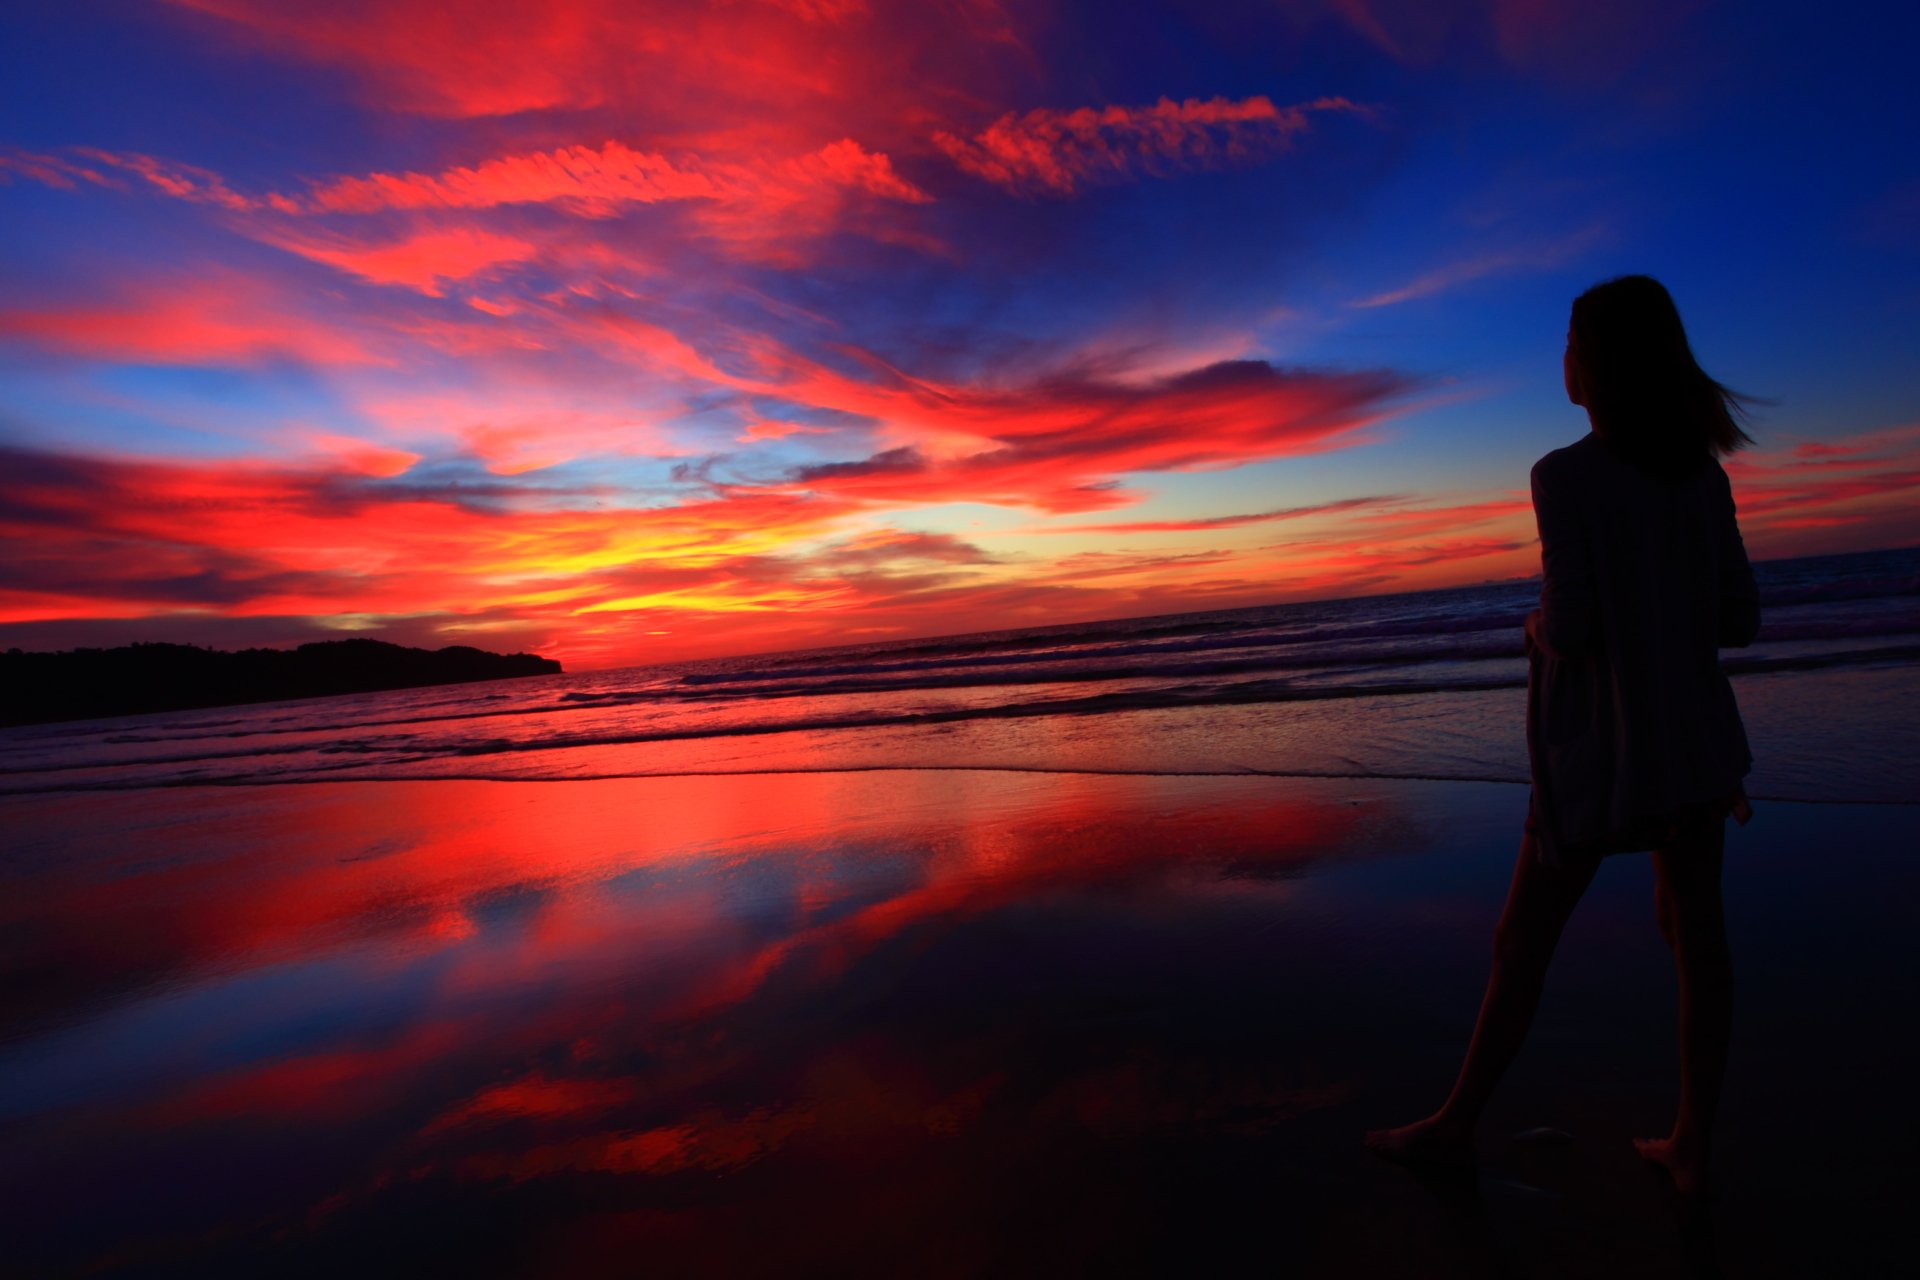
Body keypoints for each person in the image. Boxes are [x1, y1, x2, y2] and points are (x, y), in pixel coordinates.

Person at [1365, 275, 1761, 1198]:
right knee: (1695, 935)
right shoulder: (1704, 473)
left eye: (1572, 340)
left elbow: (1573, 627)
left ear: (1601, 363)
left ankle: (1455, 1125)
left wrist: (1536, 629)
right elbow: (1738, 618)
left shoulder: (1564, 477)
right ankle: (1693, 1144)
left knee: (1522, 940)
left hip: (1598, 755)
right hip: (1696, 745)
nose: (1563, 357)